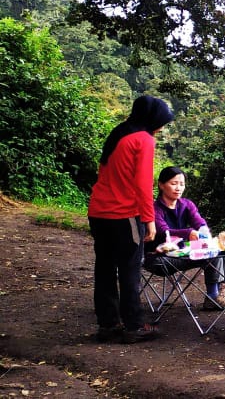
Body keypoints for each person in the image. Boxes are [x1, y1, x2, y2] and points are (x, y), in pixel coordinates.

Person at [88, 95, 173, 344]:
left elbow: (103, 172)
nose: (162, 127)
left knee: (104, 267)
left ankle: (108, 324)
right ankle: (134, 325)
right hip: (123, 214)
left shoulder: (119, 133)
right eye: (161, 121)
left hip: (98, 211)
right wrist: (149, 220)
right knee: (129, 269)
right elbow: (143, 185)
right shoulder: (144, 139)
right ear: (152, 118)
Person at [144, 166, 225, 311]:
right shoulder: (154, 208)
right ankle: (214, 297)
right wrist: (188, 233)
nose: (178, 188)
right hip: (158, 258)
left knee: (218, 249)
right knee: (213, 256)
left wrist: (203, 232)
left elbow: (199, 222)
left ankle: (217, 291)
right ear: (161, 184)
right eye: (174, 183)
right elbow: (163, 232)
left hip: (181, 253)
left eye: (181, 184)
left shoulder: (186, 204)